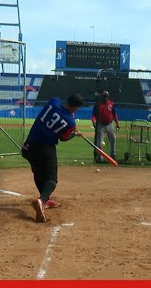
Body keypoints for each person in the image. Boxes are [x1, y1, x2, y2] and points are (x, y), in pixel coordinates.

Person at [21, 93, 86, 223]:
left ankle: (46, 200)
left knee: (38, 173)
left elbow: (60, 112)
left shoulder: (54, 101)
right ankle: (41, 200)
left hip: (29, 146)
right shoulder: (70, 122)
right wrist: (75, 134)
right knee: (51, 179)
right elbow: (64, 138)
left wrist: (71, 125)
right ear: (75, 107)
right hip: (45, 149)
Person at [92, 90, 120, 163]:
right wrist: (94, 121)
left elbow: (114, 114)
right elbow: (93, 115)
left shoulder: (111, 104)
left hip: (110, 124)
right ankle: (100, 156)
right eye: (104, 96)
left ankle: (112, 154)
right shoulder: (98, 104)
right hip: (100, 124)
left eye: (106, 96)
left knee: (113, 139)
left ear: (108, 96)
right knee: (100, 141)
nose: (105, 97)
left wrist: (117, 123)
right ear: (102, 96)